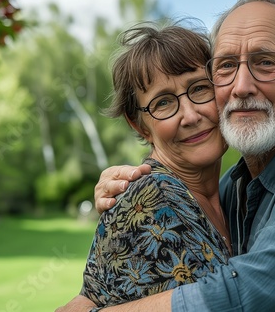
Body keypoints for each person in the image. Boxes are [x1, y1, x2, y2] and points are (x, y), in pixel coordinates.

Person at [58, 0, 275, 312]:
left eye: (266, 62)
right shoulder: (230, 190)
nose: (241, 86)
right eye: (226, 66)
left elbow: (244, 298)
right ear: (138, 124)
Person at [55, 22, 231, 311]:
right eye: (163, 103)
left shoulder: (234, 192)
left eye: (199, 88)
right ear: (139, 125)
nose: (189, 115)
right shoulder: (152, 201)